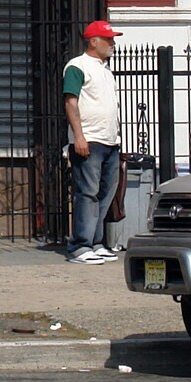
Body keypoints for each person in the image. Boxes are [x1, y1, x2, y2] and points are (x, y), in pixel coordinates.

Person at [62, 21, 122, 264]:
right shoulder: (77, 66)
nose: (113, 44)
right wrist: (78, 136)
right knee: (87, 193)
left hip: (109, 141)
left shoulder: (105, 70)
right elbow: (70, 101)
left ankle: (96, 242)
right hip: (89, 139)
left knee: (105, 192)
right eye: (108, 39)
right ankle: (80, 244)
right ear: (93, 41)